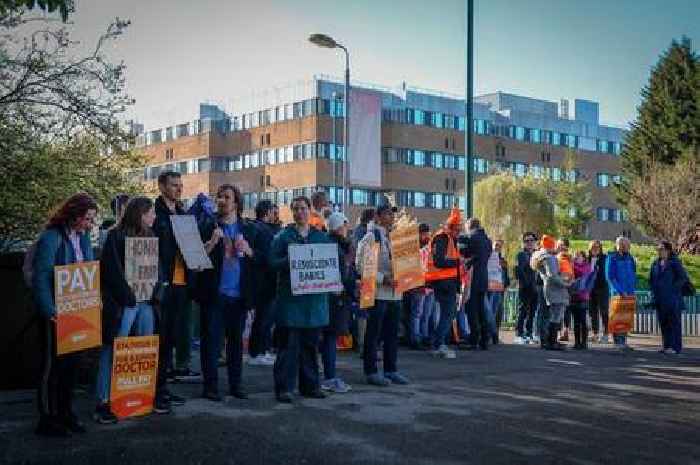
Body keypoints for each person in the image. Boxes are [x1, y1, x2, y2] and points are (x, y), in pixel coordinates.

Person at [32, 193, 97, 436]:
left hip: (77, 310)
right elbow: (41, 278)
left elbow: (89, 269)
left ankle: (66, 413)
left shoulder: (84, 237)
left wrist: (93, 299)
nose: (90, 224)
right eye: (88, 219)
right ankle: (48, 419)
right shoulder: (52, 237)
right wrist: (50, 311)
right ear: (75, 215)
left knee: (71, 367)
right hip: (56, 311)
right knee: (52, 368)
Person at [94, 197, 158, 423]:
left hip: (144, 302)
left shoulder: (150, 236)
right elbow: (110, 271)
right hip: (125, 303)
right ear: (140, 214)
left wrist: (153, 292)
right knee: (113, 348)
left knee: (144, 349)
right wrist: (129, 297)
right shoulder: (115, 235)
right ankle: (103, 400)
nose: (154, 217)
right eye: (151, 213)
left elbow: (153, 269)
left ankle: (136, 395)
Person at [196, 184, 255, 401]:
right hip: (214, 294)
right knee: (211, 342)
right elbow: (195, 259)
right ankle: (210, 386)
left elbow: (259, 260)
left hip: (238, 295)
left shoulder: (247, 229)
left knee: (236, 343)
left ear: (236, 203)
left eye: (226, 197)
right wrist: (211, 243)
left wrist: (248, 250)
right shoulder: (207, 225)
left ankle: (236, 384)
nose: (221, 200)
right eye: (219, 197)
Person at [270, 196, 330, 403]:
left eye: (303, 208)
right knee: (288, 347)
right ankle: (284, 388)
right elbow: (272, 262)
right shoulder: (283, 237)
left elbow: (332, 262)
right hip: (290, 301)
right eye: (295, 209)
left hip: (314, 303)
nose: (299, 213)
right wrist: (290, 260)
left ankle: (311, 386)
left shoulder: (321, 237)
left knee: (310, 347)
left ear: (310, 210)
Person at [356, 203, 410, 386]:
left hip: (395, 294)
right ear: (378, 217)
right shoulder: (372, 237)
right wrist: (382, 279)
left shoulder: (395, 237)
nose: (391, 217)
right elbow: (362, 266)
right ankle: (371, 371)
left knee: (392, 335)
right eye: (387, 214)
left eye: (392, 214)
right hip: (377, 294)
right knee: (374, 335)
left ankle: (391, 370)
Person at [152, 171, 190, 410]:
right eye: (174, 185)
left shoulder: (183, 213)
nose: (178, 189)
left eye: (180, 185)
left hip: (180, 282)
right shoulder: (155, 214)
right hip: (163, 284)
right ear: (162, 187)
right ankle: (155, 390)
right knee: (160, 338)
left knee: (171, 338)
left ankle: (163, 388)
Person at [320, 212, 354, 393]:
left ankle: (327, 375)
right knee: (330, 338)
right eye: (345, 226)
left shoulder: (330, 243)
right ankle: (329, 377)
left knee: (327, 339)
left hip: (331, 297)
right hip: (335, 298)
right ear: (340, 227)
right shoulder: (338, 248)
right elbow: (342, 275)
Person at [424, 208, 463, 358]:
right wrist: (458, 262)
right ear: (451, 228)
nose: (459, 232)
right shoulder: (443, 238)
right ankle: (438, 344)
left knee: (448, 313)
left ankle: (438, 343)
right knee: (448, 313)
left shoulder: (448, 238)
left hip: (446, 282)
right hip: (443, 282)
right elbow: (439, 261)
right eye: (457, 229)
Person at [248, 199, 280, 367]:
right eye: (274, 211)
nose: (277, 215)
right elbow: (269, 256)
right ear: (267, 212)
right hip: (266, 281)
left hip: (260, 280)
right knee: (264, 318)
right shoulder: (266, 231)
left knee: (263, 318)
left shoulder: (256, 228)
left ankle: (261, 350)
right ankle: (258, 351)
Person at [650, 241, 690, 354]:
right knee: (663, 323)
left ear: (668, 250)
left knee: (674, 323)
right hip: (659, 298)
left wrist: (673, 288)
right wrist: (653, 291)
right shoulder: (655, 263)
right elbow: (651, 280)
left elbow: (683, 278)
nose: (659, 251)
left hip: (673, 299)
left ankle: (675, 347)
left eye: (661, 248)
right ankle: (666, 346)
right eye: (658, 249)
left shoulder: (675, 262)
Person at [532, 234, 571, 351]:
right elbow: (552, 276)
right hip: (554, 288)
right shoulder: (549, 258)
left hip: (548, 287)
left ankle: (548, 340)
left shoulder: (540, 256)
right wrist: (565, 283)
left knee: (549, 315)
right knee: (555, 315)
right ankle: (551, 341)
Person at [462, 218, 492, 350]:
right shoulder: (487, 240)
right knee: (482, 311)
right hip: (483, 277)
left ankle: (474, 339)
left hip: (473, 277)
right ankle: (484, 340)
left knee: (471, 310)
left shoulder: (471, 238)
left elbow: (464, 254)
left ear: (470, 226)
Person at [605, 236, 637, 352]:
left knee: (626, 318)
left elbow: (633, 273)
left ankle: (623, 342)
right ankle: (617, 343)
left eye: (627, 245)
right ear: (617, 245)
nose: (625, 247)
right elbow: (610, 277)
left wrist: (632, 289)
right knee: (617, 318)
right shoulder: (612, 258)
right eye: (622, 244)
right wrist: (619, 290)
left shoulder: (630, 258)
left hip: (629, 292)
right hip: (618, 294)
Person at [407, 223, 435, 350]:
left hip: (428, 284)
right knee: (418, 313)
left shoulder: (428, 247)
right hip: (418, 284)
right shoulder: (413, 248)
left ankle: (424, 336)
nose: (427, 236)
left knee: (426, 313)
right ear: (419, 234)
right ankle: (415, 338)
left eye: (427, 234)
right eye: (424, 234)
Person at [514, 232, 538, 344]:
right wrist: (526, 284)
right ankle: (519, 334)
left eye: (531, 240)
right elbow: (518, 271)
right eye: (526, 241)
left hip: (536, 288)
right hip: (525, 288)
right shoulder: (521, 255)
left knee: (532, 313)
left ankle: (529, 333)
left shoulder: (537, 255)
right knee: (522, 311)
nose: (529, 243)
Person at [486, 239, 509, 345]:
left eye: (499, 246)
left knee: (496, 312)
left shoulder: (503, 261)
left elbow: (505, 275)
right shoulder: (489, 257)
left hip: (499, 289)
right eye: (496, 245)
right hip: (490, 288)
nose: (497, 247)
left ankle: (494, 334)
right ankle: (491, 335)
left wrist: (505, 286)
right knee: (490, 311)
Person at [587, 240, 610, 344]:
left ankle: (606, 334)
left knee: (604, 311)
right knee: (593, 312)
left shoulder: (605, 258)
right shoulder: (587, 259)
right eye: (593, 247)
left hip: (602, 288)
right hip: (590, 289)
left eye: (597, 247)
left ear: (600, 248)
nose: (595, 249)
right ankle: (595, 334)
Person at [571, 251, 592, 350]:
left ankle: (584, 342)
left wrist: (573, 266)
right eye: (575, 256)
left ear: (583, 258)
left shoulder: (587, 266)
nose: (576, 258)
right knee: (576, 321)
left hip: (583, 296)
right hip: (574, 296)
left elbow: (584, 274)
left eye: (578, 256)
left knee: (583, 320)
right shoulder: (571, 266)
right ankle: (577, 342)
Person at [556, 238, 574, 342]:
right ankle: (558, 332)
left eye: (563, 245)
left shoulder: (569, 258)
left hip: (568, 286)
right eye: (559, 245)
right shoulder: (554, 257)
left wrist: (571, 281)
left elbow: (572, 271)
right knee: (558, 310)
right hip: (558, 286)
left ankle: (565, 331)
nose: (561, 247)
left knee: (567, 310)